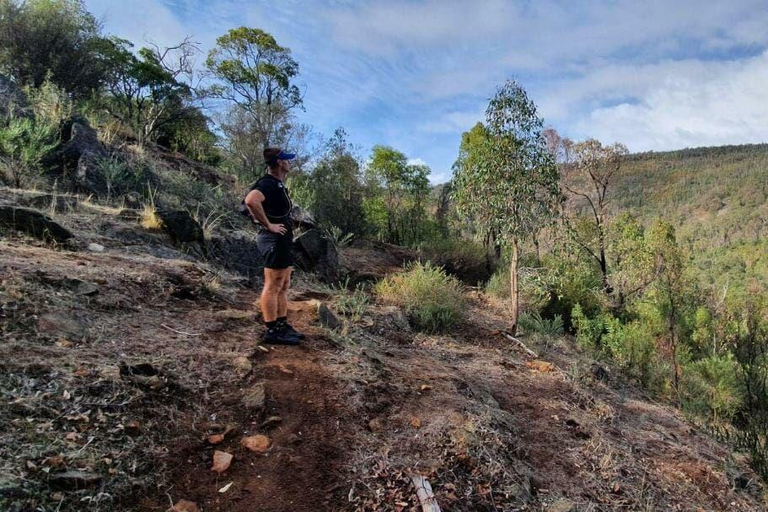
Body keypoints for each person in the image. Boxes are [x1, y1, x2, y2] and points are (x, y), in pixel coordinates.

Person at [243, 147, 306, 345]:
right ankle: (271, 330)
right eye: (286, 160)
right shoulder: (267, 183)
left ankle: (281, 324)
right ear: (279, 162)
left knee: (284, 283)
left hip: (283, 239)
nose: (289, 162)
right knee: (273, 284)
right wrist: (267, 225)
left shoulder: (278, 184)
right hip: (273, 240)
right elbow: (251, 201)